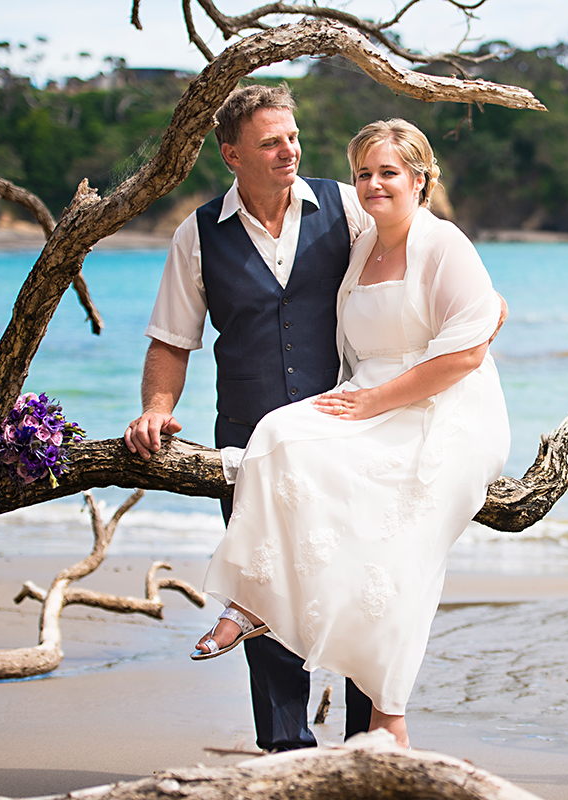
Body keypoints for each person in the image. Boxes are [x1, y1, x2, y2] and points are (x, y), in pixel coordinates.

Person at [192, 118, 510, 748]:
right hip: (367, 395)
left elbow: (467, 351)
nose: (372, 184)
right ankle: (255, 598)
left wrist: (374, 404)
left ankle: (387, 716)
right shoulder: (361, 242)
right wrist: (363, 403)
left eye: (388, 172)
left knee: (392, 541)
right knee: (276, 433)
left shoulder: (443, 243)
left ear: (420, 179)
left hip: (440, 404)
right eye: (363, 173)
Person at [123, 83, 377, 752]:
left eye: (293, 136)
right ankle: (286, 750)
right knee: (260, 591)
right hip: (247, 443)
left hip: (345, 437)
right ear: (232, 154)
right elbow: (172, 340)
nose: (289, 150)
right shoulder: (198, 233)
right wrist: (156, 409)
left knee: (357, 592)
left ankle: (366, 750)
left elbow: (405, 274)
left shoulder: (346, 208)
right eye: (271, 142)